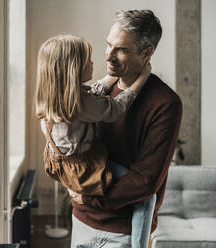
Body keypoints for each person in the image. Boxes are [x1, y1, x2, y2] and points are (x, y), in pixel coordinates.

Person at [69, 9, 182, 248]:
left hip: (122, 231)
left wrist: (89, 197)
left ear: (147, 53)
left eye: (121, 49)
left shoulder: (165, 103)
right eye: (108, 45)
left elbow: (145, 180)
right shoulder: (100, 92)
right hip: (81, 219)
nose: (109, 56)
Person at [35, 33, 153, 248]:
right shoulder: (81, 104)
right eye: (87, 60)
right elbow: (115, 108)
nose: (93, 63)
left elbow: (93, 93)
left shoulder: (56, 98)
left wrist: (114, 76)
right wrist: (142, 77)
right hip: (87, 168)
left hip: (62, 165)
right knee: (147, 196)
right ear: (74, 68)